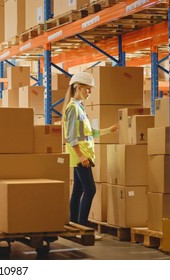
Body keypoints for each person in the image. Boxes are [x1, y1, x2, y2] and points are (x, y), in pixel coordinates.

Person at [62, 72, 119, 237]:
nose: (89, 93)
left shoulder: (79, 107)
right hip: (81, 156)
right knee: (90, 190)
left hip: (81, 156)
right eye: (87, 89)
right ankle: (83, 229)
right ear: (78, 88)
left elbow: (89, 133)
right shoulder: (73, 109)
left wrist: (109, 130)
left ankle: (74, 226)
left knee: (78, 191)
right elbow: (71, 136)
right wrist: (81, 156)